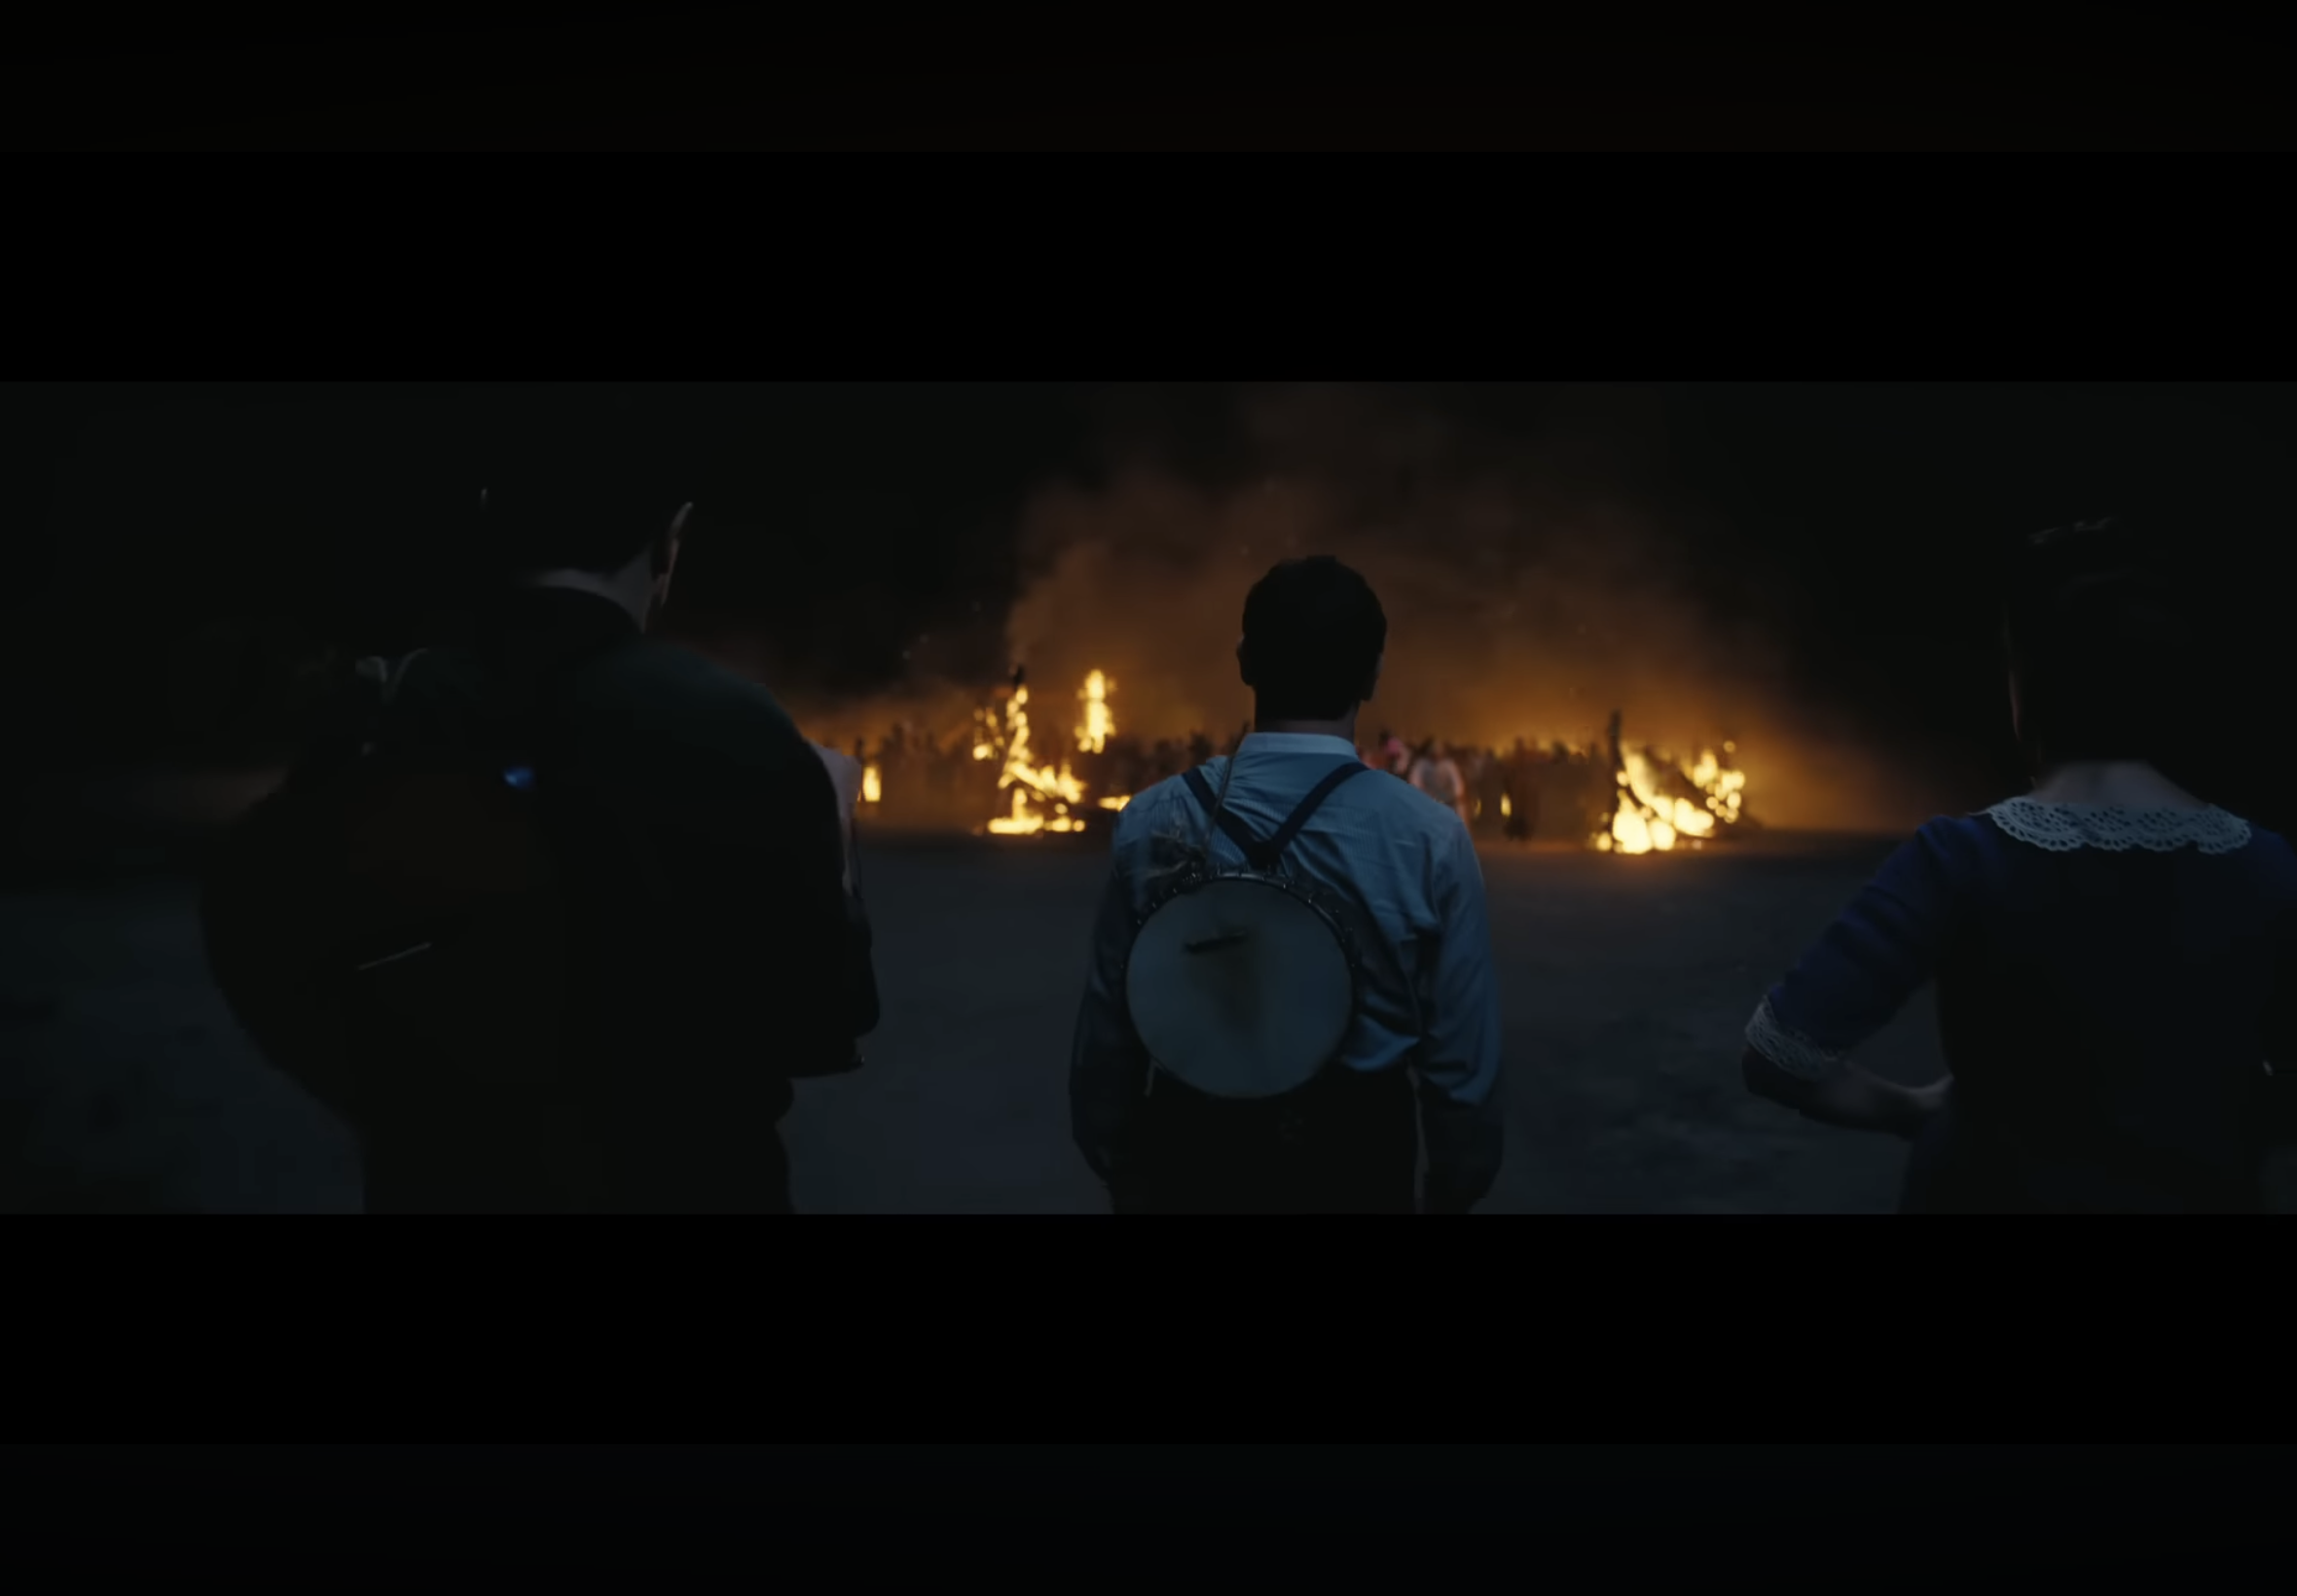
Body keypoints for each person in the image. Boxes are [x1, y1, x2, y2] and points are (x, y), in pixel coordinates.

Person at [201, 445, 864, 1213]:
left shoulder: (387, 705)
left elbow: (266, 944)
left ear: (490, 519)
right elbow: (822, 1020)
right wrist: (834, 828)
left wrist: (392, 1101)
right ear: (671, 539)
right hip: (690, 1180)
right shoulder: (733, 720)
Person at [1739, 516, 2297, 1213]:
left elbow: (1778, 1051)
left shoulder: (1961, 857)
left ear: (2028, 687)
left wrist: (1908, 1110)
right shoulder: (2266, 865)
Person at [1071, 556, 1504, 1214]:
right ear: (1373, 674)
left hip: (1192, 1157)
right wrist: (1453, 1183)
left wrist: (1122, 1165)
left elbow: (1110, 1030)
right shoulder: (1429, 836)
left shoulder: (1152, 818)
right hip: (1358, 1163)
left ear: (1245, 661)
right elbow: (1462, 1060)